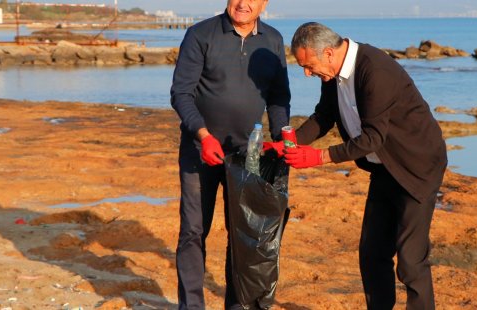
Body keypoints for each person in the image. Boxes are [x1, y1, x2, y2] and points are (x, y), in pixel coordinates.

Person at [266, 22, 447, 309]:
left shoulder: (375, 70)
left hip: (417, 166)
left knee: (411, 261)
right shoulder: (332, 75)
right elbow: (324, 116)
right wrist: (291, 143)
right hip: (383, 168)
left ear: (327, 53)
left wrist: (319, 157)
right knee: (373, 253)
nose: (307, 72)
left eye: (309, 65)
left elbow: (372, 138)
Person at [169, 0, 291, 308]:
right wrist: (202, 133)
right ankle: (191, 305)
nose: (244, 3)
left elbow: (279, 96)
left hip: (248, 155)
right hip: (201, 150)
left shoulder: (273, 40)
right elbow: (181, 93)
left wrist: (281, 137)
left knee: (244, 236)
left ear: (264, 3)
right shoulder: (200, 34)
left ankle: (237, 305)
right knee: (194, 231)